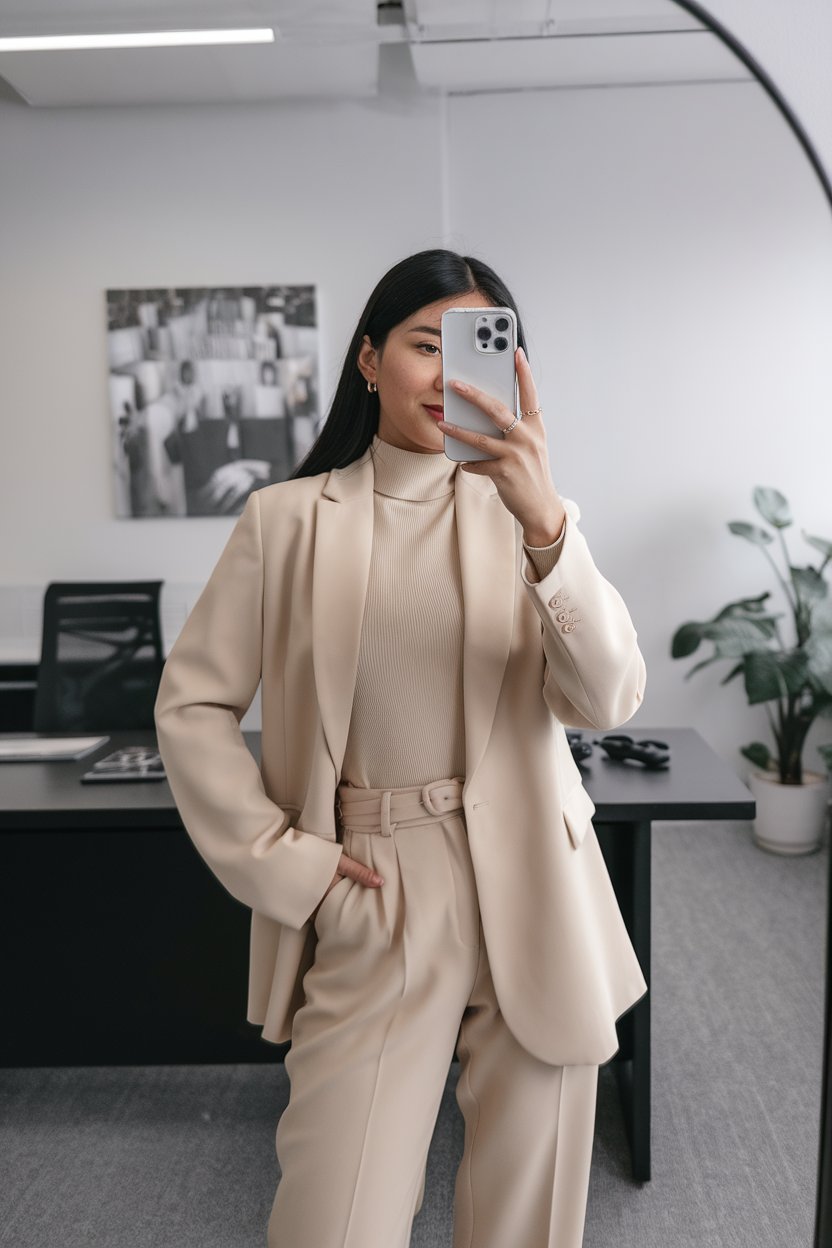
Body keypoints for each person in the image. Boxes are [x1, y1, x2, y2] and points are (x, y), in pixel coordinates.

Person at [153, 248, 648, 1248]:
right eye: (428, 345)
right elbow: (191, 706)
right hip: (374, 887)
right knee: (333, 1220)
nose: (450, 373)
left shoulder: (533, 519)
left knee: (526, 1223)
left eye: (480, 349)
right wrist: (287, 864)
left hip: (538, 889)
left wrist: (544, 520)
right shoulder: (285, 523)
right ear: (369, 360)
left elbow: (606, 697)